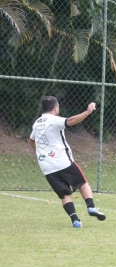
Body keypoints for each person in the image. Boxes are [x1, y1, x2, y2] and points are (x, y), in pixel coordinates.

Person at [28, 96, 106, 228]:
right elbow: (70, 121)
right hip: (62, 161)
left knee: (64, 194)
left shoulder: (37, 123)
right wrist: (87, 112)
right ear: (56, 107)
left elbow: (31, 141)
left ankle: (75, 220)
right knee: (82, 182)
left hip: (46, 166)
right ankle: (91, 207)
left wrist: (41, 153)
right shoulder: (54, 120)